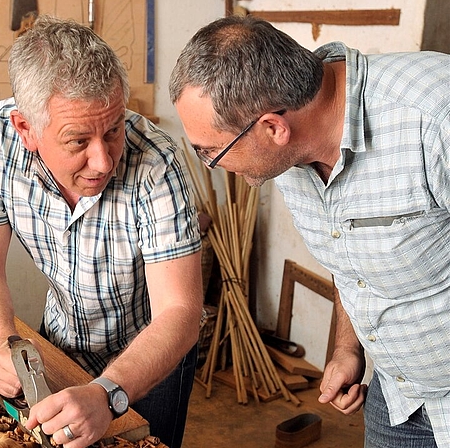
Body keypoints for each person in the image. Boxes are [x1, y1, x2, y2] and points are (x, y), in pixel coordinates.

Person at [170, 14, 449, 448]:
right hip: (399, 394)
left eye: (213, 151)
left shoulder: (434, 115)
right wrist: (347, 349)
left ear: (273, 127)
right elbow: (350, 257)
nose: (212, 165)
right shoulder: (291, 152)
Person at [0, 16, 203, 448]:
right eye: (77, 141)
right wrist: (4, 345)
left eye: (113, 131)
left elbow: (180, 312)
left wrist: (108, 393)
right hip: (57, 342)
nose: (104, 161)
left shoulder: (157, 165)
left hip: (150, 352)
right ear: (25, 129)